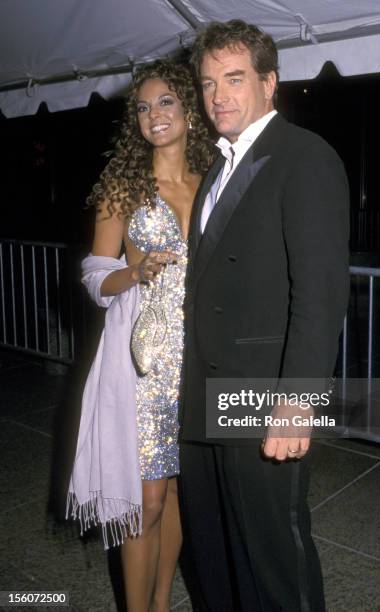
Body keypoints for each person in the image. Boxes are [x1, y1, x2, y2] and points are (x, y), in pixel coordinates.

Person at [178, 20, 350, 611]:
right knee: (215, 550)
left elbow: (321, 293)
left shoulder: (304, 156)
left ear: (268, 82)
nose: (218, 96)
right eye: (207, 83)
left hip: (262, 391)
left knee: (273, 555)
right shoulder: (216, 172)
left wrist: (299, 400)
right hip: (203, 391)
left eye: (234, 78)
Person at [66, 59, 214, 612]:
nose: (155, 115)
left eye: (167, 102)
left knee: (178, 492)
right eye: (144, 107)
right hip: (144, 361)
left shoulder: (211, 183)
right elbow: (93, 273)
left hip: (197, 358)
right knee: (145, 501)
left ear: (189, 111)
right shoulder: (122, 187)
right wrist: (136, 270)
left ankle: (158, 603)